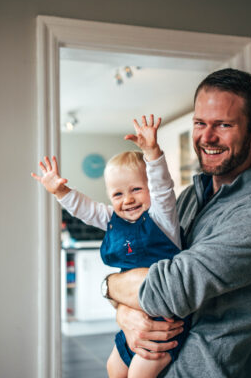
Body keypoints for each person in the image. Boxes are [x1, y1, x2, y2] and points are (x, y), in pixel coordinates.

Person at [102, 69, 251, 377]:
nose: (207, 137)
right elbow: (152, 268)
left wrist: (109, 286)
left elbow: (167, 290)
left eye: (223, 125)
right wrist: (127, 314)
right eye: (200, 123)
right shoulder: (192, 195)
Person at [31, 115, 190, 378]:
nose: (127, 199)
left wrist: (152, 153)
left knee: (140, 372)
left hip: (164, 323)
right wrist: (61, 192)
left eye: (136, 189)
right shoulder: (111, 219)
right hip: (133, 317)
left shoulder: (162, 218)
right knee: (113, 367)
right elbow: (86, 209)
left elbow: (163, 187)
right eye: (117, 194)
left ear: (150, 188)